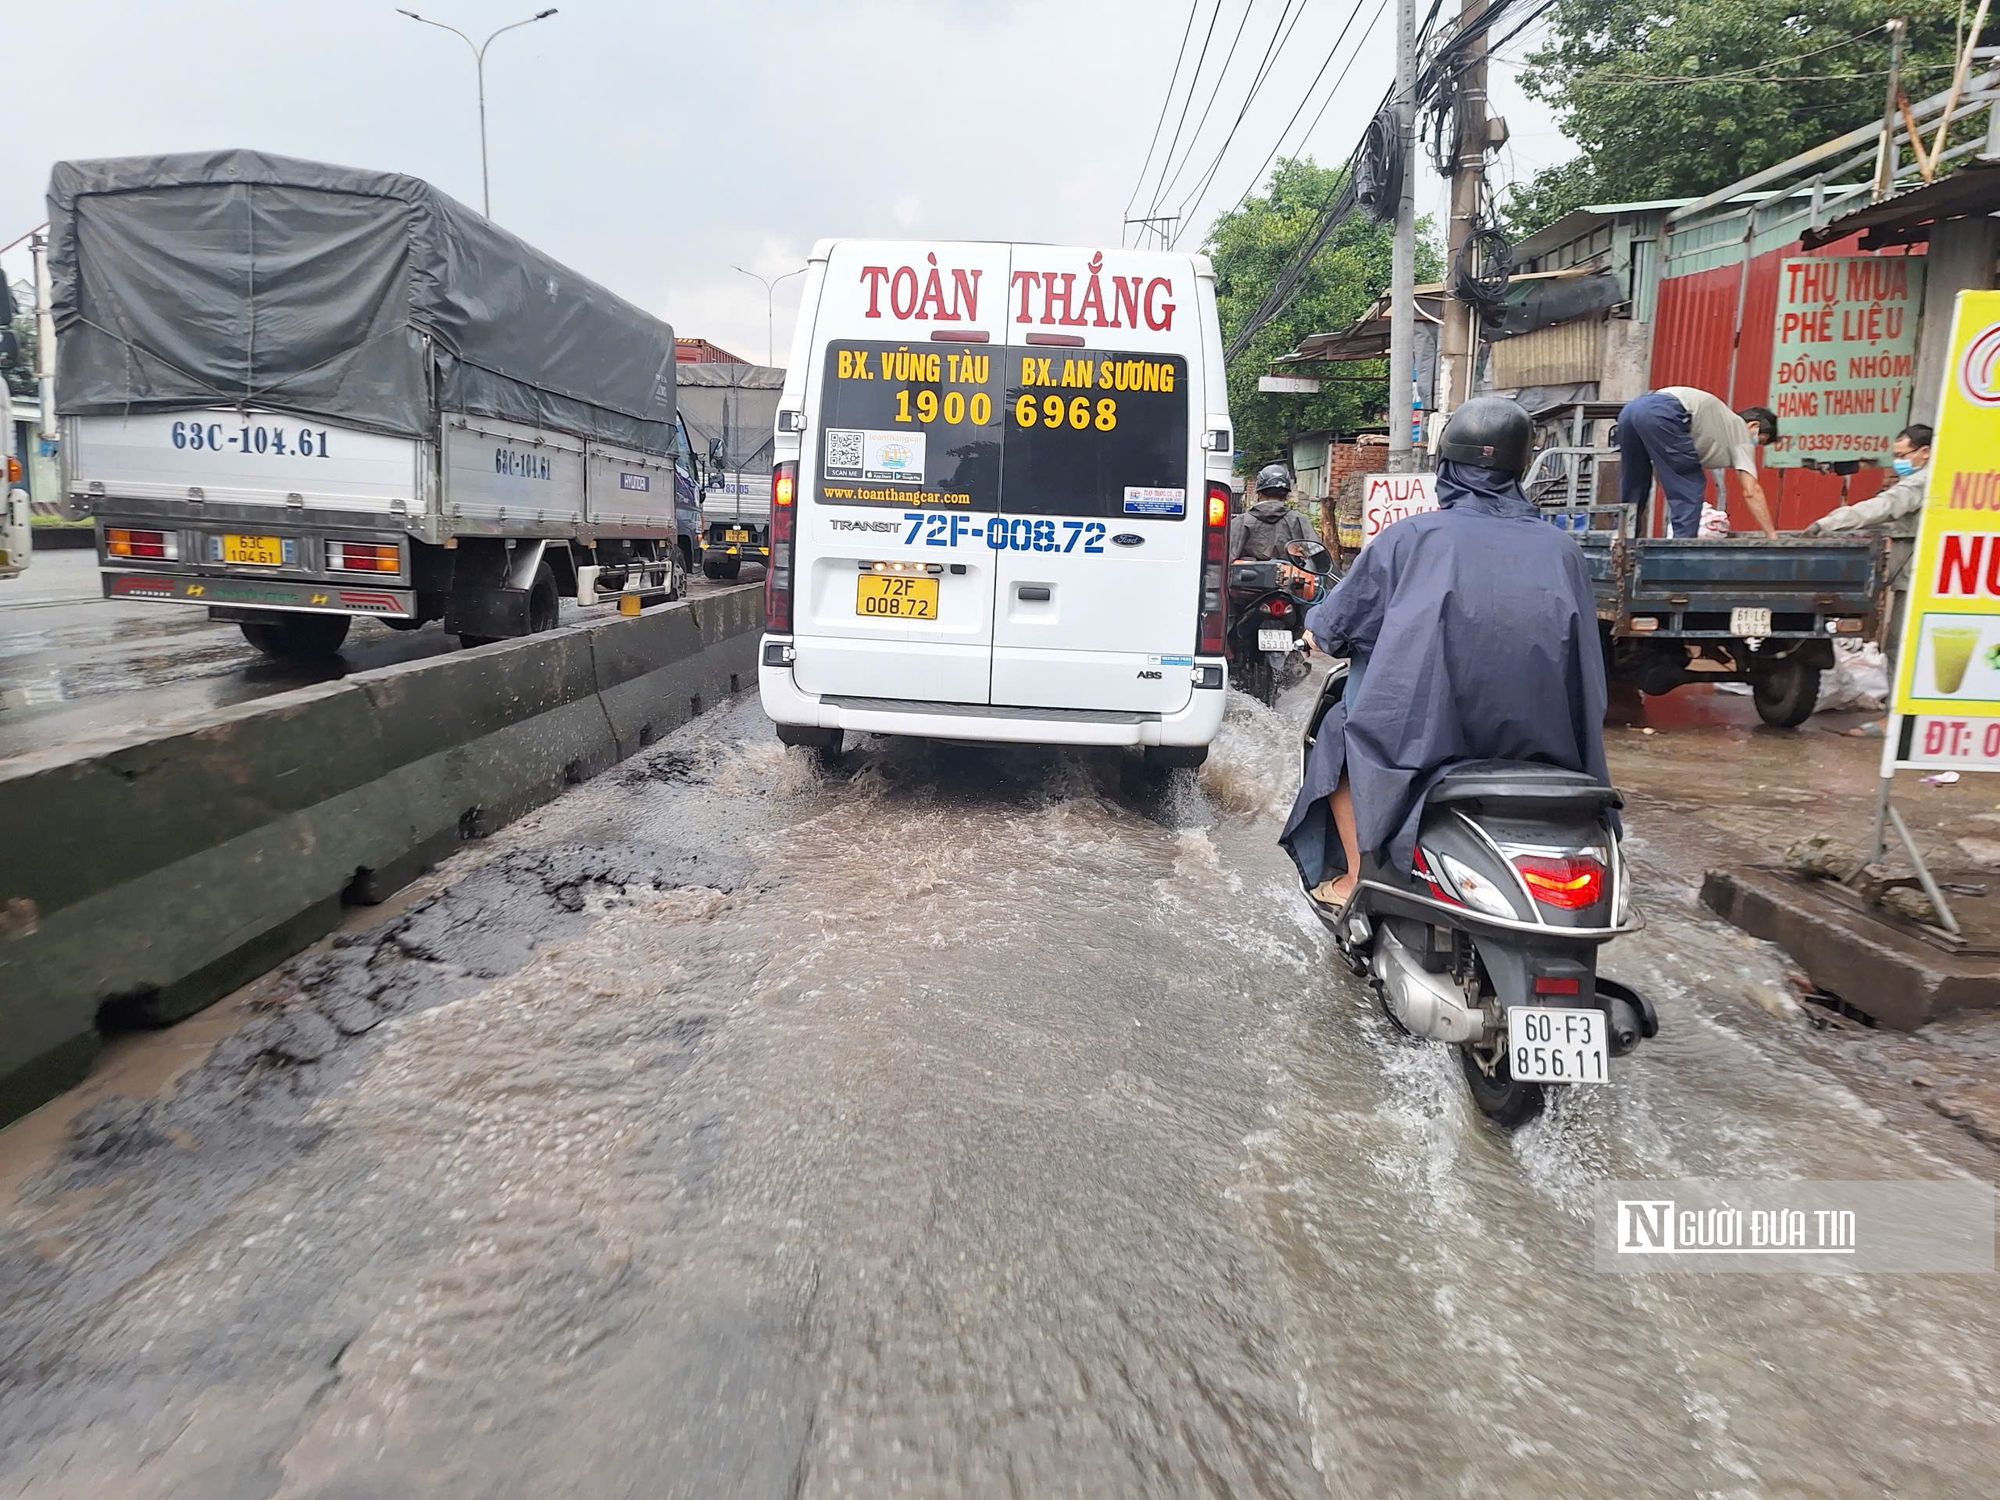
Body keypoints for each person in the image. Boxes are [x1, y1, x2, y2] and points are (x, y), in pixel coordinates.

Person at [1281, 397, 1611, 909]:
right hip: (1545, 743)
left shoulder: (1411, 538)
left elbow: (1334, 626)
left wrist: (1316, 633)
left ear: (1447, 466)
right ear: (1520, 468)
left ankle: (1353, 879)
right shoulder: (1562, 549)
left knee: (1337, 737)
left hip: (1431, 741)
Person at [1803, 423, 1932, 737]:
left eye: (1902, 455)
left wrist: (1828, 522)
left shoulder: (1922, 482)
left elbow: (1883, 506)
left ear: (1925, 452)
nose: (1897, 462)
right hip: (1928, 576)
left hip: (1920, 579)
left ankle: (1896, 720)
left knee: (1901, 647)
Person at [1616, 387, 1780, 539]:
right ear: (1754, 425)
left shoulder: (1717, 422)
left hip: (1631, 410)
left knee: (1634, 480)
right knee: (1690, 483)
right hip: (1664, 410)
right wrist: (1772, 536)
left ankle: (1622, 537)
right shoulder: (1739, 431)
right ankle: (1681, 550)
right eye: (1759, 440)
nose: (1754, 445)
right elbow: (1751, 491)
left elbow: (1663, 469)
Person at [1230, 463, 1316, 559]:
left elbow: (1221, 562)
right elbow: (1319, 559)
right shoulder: (1300, 521)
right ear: (1286, 495)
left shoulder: (1241, 522)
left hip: (1248, 574)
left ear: (1259, 493)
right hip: (1291, 574)